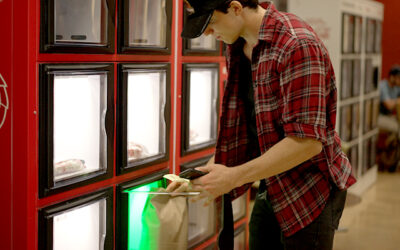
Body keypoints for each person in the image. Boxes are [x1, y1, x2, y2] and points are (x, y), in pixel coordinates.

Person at [168, 1, 356, 249]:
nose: (208, 34)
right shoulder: (239, 45)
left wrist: (233, 177)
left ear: (236, 8)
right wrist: (211, 171)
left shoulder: (297, 44)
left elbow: (307, 143)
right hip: (273, 183)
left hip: (310, 190)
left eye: (211, 23)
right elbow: (253, 125)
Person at [378, 65, 400, 132]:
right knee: (398, 128)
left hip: (388, 116)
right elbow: (389, 105)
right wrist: (398, 100)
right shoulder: (382, 86)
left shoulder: (397, 87)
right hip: (379, 117)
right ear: (392, 77)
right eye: (398, 78)